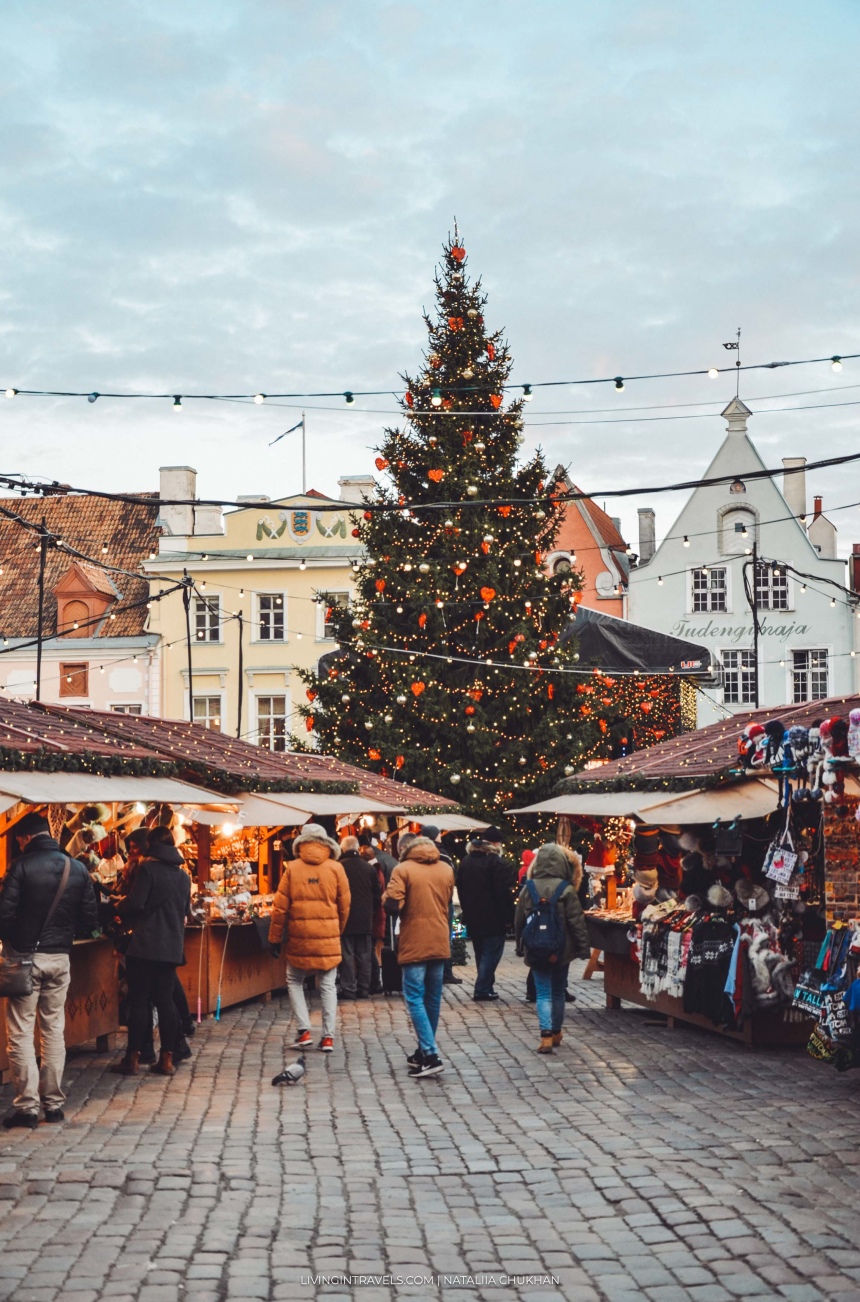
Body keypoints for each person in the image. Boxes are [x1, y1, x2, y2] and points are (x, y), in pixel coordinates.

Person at [0, 811, 98, 1129]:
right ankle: (53, 1105)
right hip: (60, 958)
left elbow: (3, 915)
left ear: (25, 838)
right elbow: (89, 919)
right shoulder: (77, 867)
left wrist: (15, 941)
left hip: (25, 959)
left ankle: (27, 1108)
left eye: (18, 840)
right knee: (54, 1030)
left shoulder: (20, 867)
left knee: (20, 1033)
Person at [111, 825, 191, 1077]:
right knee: (165, 1002)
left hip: (145, 946)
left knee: (139, 1002)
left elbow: (135, 904)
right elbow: (185, 911)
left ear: (152, 845)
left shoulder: (147, 870)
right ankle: (167, 1058)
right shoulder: (184, 877)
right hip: (171, 947)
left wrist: (118, 904)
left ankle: (133, 1059)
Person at [268, 823, 350, 1053]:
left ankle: (304, 1030)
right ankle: (328, 1037)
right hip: (328, 934)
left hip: (299, 935)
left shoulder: (293, 868)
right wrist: (337, 930)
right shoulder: (336, 868)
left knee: (294, 980)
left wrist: (274, 937)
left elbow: (280, 908)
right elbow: (345, 906)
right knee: (328, 984)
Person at [383, 836, 455, 1079]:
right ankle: (423, 1051)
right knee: (432, 998)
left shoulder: (403, 869)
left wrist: (387, 896)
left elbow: (393, 905)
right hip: (439, 938)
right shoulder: (445, 869)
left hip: (414, 940)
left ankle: (431, 1054)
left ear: (405, 849)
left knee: (414, 996)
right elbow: (446, 901)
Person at [514, 843, 590, 1055]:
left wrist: (520, 945)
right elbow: (576, 922)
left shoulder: (529, 888)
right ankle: (556, 1032)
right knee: (557, 991)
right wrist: (583, 948)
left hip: (536, 948)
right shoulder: (566, 889)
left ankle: (545, 1035)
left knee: (543, 992)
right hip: (561, 949)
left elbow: (519, 920)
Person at [457, 827, 516, 1003]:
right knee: (491, 954)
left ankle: (487, 986)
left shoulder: (466, 861)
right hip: (494, 917)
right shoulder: (496, 862)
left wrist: (466, 911)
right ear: (496, 843)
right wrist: (508, 918)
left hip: (473, 915)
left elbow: (460, 889)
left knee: (480, 952)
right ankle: (482, 988)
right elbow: (504, 893)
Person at [338, 835, 381, 1000]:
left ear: (343, 849)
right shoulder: (368, 868)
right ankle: (364, 988)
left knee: (347, 955)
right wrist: (370, 911)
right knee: (364, 955)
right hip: (365, 918)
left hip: (345, 918)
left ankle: (348, 989)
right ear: (357, 848)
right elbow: (377, 895)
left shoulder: (339, 867)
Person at [421, 824, 462, 987]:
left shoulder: (417, 853)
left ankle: (432, 970)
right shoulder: (443, 854)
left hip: (425, 901)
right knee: (445, 937)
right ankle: (446, 972)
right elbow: (451, 877)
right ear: (435, 836)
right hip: (444, 901)